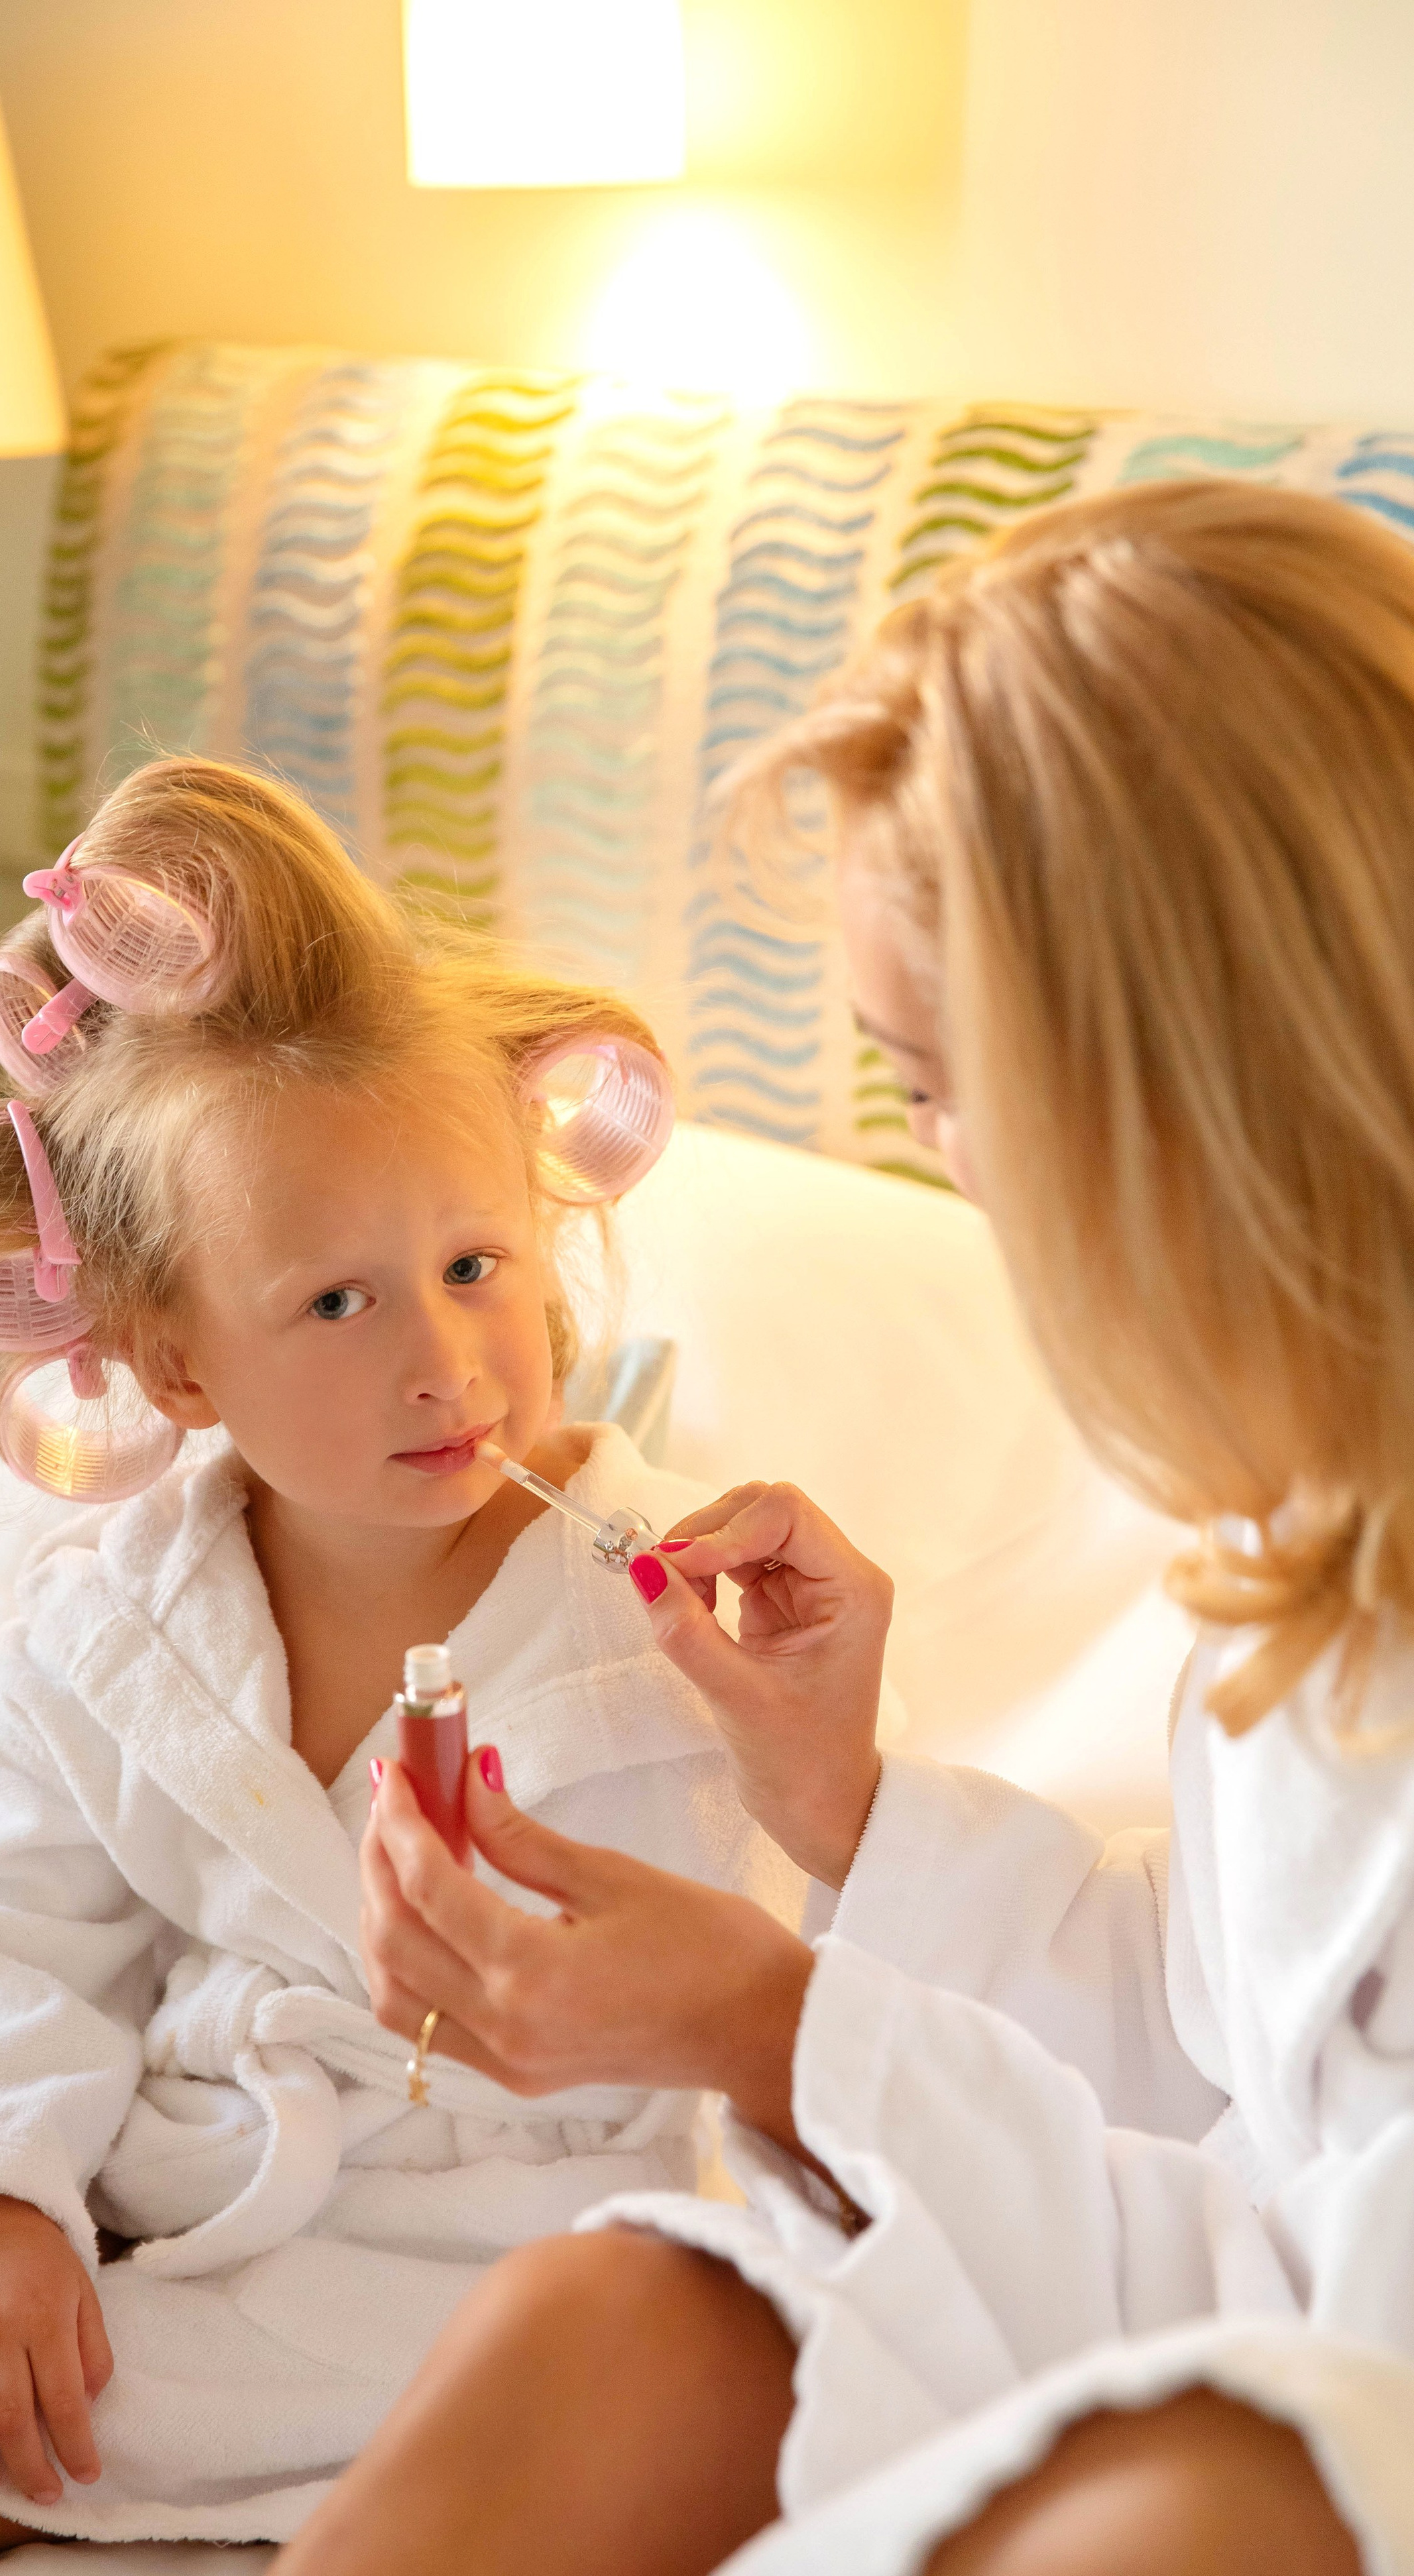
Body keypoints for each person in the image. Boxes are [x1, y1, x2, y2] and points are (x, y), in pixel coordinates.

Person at [278, 480, 1414, 2576]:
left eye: (945, 1083)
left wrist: (770, 2028)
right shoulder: (1325, 1529)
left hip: (1328, 2441)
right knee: (615, 2310)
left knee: (1203, 2503)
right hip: (1256, 2329)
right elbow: (1233, 2046)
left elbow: (1354, 2331)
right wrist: (846, 1800)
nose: (942, 1161)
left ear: (1184, 1096)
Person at [0, 756, 798, 2572]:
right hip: (155, 2139)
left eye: (473, 1263)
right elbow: (9, 1930)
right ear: (178, 1365)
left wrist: (824, 1754)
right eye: (338, 1302)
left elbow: (847, 1941)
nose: (444, 1359)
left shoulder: (676, 1607)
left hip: (437, 2249)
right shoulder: (126, 1610)